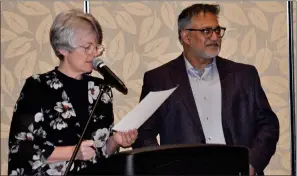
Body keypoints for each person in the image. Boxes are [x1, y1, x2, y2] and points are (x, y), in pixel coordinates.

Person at [132, 3, 279, 175]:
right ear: (186, 36)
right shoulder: (159, 79)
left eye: (217, 31)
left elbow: (268, 125)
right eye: (206, 31)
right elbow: (143, 134)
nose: (215, 37)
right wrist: (165, 168)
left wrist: (252, 163)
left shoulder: (244, 75)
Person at [8, 9, 138, 176]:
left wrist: (115, 141)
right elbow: (21, 147)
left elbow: (101, 154)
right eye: (87, 47)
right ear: (63, 49)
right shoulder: (37, 87)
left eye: (96, 47)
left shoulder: (101, 90)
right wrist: (73, 152)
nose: (95, 53)